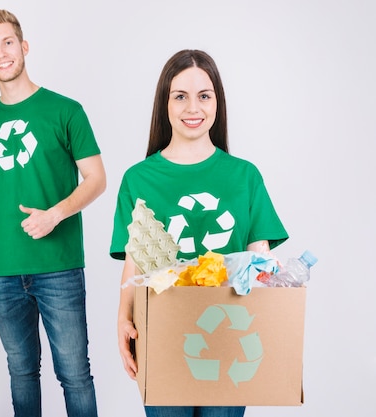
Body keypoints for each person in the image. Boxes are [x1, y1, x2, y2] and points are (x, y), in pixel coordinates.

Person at [109, 49, 288, 417]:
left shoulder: (245, 176)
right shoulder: (138, 178)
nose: (194, 107)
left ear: (217, 103)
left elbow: (260, 259)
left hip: (230, 331)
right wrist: (122, 318)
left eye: (204, 96)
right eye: (181, 96)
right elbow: (135, 261)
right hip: (161, 331)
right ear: (166, 103)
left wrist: (278, 304)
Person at [0, 8, 106, 417]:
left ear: (24, 46)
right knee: (21, 372)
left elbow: (96, 179)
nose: (1, 53)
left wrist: (55, 214)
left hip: (58, 265)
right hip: (2, 267)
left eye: (8, 42)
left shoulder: (65, 110)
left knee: (74, 373)